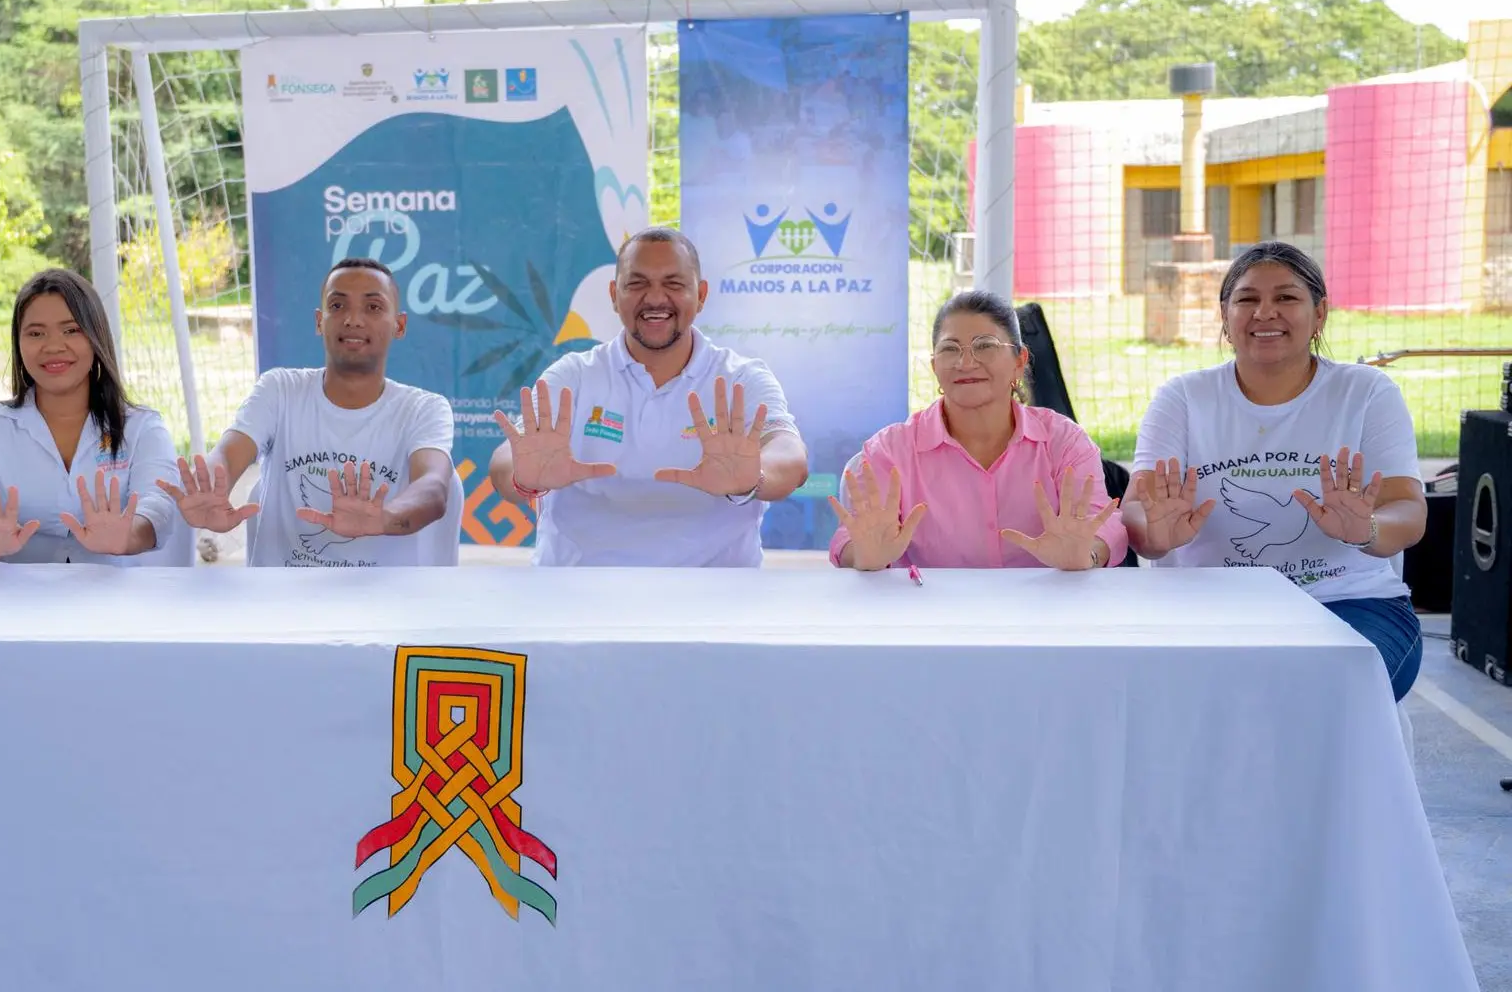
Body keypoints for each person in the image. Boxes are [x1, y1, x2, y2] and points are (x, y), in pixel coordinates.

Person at [1125, 241, 1427, 702]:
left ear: (1319, 313)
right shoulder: (1183, 398)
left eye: (1286, 297)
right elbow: (1137, 509)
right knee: (1181, 692)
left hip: (1351, 602)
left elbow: (1408, 509)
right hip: (1207, 603)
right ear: (1225, 316)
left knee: (1327, 690)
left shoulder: (1366, 392)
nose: (1265, 312)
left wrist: (1366, 528)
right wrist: (1153, 535)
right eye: (1247, 299)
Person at [487, 226, 809, 566]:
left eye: (674, 283)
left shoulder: (742, 378)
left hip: (716, 591)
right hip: (577, 589)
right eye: (637, 283)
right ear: (614, 294)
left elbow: (790, 455)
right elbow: (507, 460)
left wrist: (753, 478)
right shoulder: (573, 376)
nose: (655, 298)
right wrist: (523, 476)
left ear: (701, 295)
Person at [161, 257, 458, 567]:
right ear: (319, 321)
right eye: (338, 305)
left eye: (373, 307)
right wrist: (210, 485)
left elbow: (434, 487)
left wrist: (384, 518)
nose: (353, 319)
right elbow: (229, 453)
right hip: (281, 595)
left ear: (399, 325)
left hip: (384, 596)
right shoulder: (280, 389)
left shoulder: (425, 409)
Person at [828, 290, 1127, 572]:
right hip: (928, 606)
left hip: (1043, 605)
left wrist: (1086, 554)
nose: (966, 362)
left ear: (1019, 361)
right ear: (934, 366)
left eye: (985, 345)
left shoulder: (1064, 441)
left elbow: (1102, 525)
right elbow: (851, 540)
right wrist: (864, 556)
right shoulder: (890, 451)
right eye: (950, 349)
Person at [0, 268, 182, 565]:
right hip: (12, 591)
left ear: (96, 336)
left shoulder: (142, 427)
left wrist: (129, 536)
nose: (53, 346)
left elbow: (159, 503)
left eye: (71, 330)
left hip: (115, 591)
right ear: (18, 343)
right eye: (36, 333)